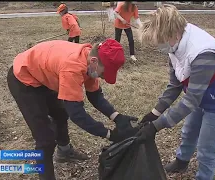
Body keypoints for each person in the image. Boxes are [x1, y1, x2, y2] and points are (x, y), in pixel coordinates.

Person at [136, 5, 215, 180]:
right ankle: (182, 161)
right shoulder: (173, 45)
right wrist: (154, 113)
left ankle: (204, 177)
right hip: (201, 95)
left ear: (174, 34)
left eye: (159, 41)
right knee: (189, 131)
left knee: (206, 148)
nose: (158, 47)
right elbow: (175, 84)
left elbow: (191, 100)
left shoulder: (203, 53)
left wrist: (156, 127)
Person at [7, 38, 138, 180]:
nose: (104, 77)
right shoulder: (72, 68)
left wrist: (117, 117)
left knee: (61, 114)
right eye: (104, 73)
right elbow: (77, 114)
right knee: (45, 138)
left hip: (44, 75)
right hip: (24, 78)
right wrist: (109, 134)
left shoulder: (89, 61)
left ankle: (64, 151)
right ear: (94, 61)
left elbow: (95, 96)